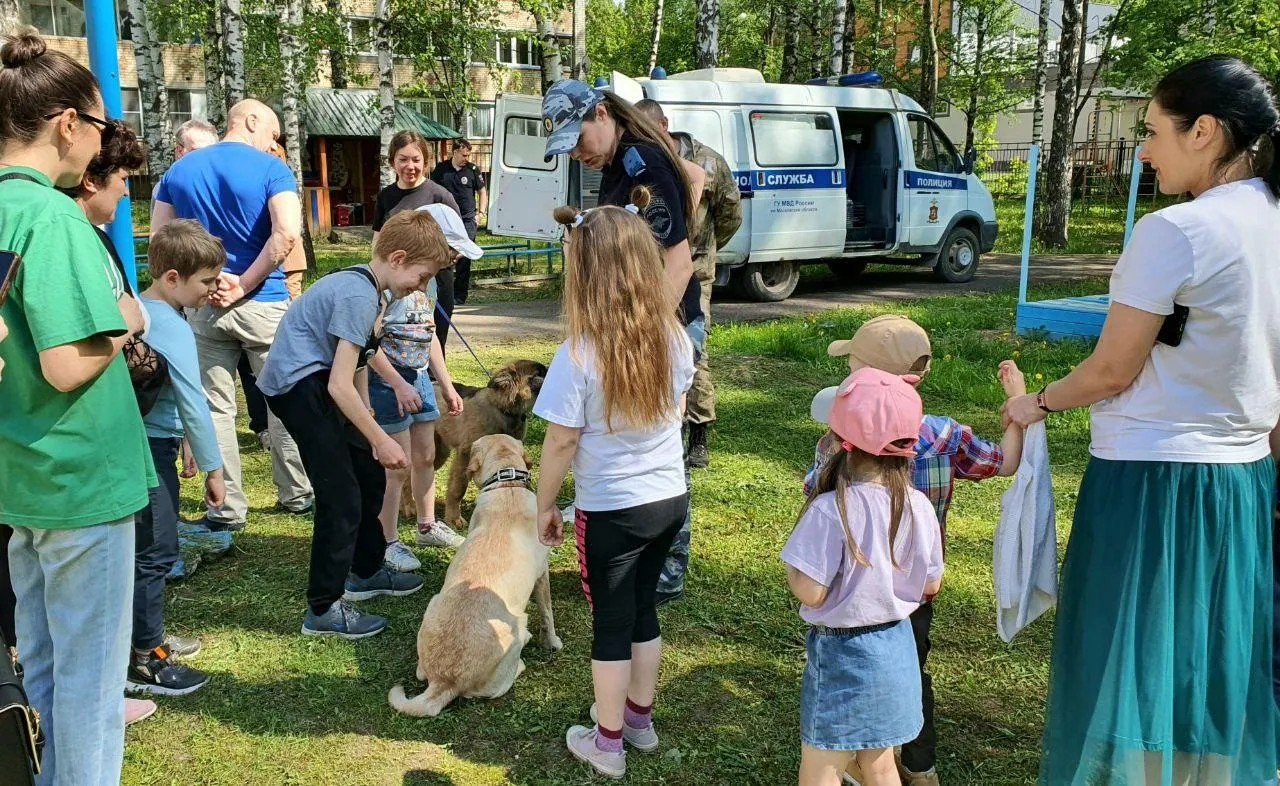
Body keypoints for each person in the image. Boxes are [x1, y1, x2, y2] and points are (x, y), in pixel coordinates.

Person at [1002, 55, 1280, 784]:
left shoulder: (1178, 231)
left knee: (1131, 664)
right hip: (1243, 479)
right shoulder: (1268, 220)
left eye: (1153, 132)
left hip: (1155, 480)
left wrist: (1035, 403)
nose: (1145, 150)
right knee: (1209, 664)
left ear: (1206, 132)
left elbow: (1111, 369)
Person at [0, 28, 156, 784]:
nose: (99, 145)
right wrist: (125, 321)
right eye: (98, 126)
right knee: (91, 692)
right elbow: (66, 364)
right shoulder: (54, 216)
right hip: (82, 483)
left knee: (47, 670)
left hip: (25, 478)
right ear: (68, 123)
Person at [805, 316, 1025, 786]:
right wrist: (1016, 406)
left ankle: (845, 762)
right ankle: (919, 766)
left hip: (849, 597)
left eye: (852, 364)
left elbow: (813, 493)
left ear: (862, 375)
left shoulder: (840, 445)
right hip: (913, 594)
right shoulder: (944, 436)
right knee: (909, 669)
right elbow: (1004, 463)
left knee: (846, 685)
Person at [534, 193, 695, 779]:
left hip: (612, 510)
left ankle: (606, 744)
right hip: (668, 500)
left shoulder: (577, 355)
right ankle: (638, 722)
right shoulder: (675, 338)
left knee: (611, 624)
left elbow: (560, 443)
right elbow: (676, 412)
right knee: (645, 609)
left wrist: (544, 505)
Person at [257, 210, 455, 638]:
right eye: (422, 277)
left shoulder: (375, 292)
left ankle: (365, 572)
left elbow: (361, 362)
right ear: (398, 258)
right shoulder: (358, 294)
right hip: (297, 387)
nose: (421, 287)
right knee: (341, 495)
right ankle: (324, 608)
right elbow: (338, 385)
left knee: (367, 472)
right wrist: (380, 437)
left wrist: (367, 437)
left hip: (320, 381)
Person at [541, 79, 702, 608]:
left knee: (658, 442)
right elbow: (695, 179)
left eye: (579, 137)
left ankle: (664, 563)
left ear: (604, 113)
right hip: (641, 325)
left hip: (660, 325)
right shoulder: (621, 165)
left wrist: (642, 332)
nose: (577, 153)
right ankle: (643, 548)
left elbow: (678, 262)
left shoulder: (642, 164)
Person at [152, 98, 314, 532]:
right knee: (284, 399)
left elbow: (160, 240)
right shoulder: (273, 171)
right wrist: (243, 282)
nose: (273, 144)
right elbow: (286, 234)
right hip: (264, 300)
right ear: (252, 121)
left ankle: (225, 509)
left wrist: (205, 282)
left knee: (214, 409)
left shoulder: (178, 172)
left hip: (204, 303)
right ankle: (297, 494)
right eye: (274, 135)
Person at [784, 367, 944, 786]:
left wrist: (794, 571)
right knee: (880, 763)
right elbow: (931, 585)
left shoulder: (829, 510)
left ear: (840, 442)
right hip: (897, 646)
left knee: (822, 764)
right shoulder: (920, 506)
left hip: (843, 656)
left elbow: (811, 592)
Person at [125, 221, 229, 697]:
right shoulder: (171, 325)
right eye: (206, 281)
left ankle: (146, 639)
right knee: (156, 553)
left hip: (143, 443)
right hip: (148, 452)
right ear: (171, 277)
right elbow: (193, 398)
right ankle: (145, 659)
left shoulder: (143, 310)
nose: (214, 289)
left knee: (143, 550)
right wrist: (214, 466)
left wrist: (184, 440)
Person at [368, 203, 478, 567]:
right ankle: (387, 540)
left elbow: (429, 336)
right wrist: (398, 384)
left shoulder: (424, 285)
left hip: (420, 379)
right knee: (397, 465)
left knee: (426, 455)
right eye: (451, 252)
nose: (453, 261)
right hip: (389, 383)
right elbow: (368, 345)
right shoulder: (386, 287)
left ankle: (427, 525)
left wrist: (445, 384)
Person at [634, 98, 742, 469]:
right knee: (657, 342)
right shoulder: (644, 164)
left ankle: (699, 435)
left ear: (665, 125)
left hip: (696, 269)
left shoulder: (708, 161)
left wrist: (704, 248)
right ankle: (666, 426)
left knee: (693, 348)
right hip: (655, 268)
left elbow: (731, 213)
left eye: (650, 131)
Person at [373, 130, 462, 350]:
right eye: (403, 159)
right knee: (394, 336)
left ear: (426, 161)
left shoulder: (440, 195)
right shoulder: (386, 197)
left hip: (435, 282)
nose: (409, 166)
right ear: (393, 161)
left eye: (416, 159)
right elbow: (377, 241)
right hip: (394, 282)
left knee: (431, 337)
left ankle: (432, 381)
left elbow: (459, 244)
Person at [429, 138, 487, 305]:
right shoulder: (441, 169)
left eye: (468, 155)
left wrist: (480, 213)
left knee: (463, 255)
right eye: (463, 155)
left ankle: (460, 295)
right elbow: (432, 192)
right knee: (443, 254)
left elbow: (482, 191)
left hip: (468, 219)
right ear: (454, 152)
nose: (466, 158)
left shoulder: (473, 170)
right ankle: (443, 292)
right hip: (446, 220)